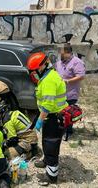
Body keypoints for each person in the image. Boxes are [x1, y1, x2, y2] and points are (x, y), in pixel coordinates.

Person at [27, 52, 68, 185]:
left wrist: (39, 121)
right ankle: (46, 162)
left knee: (51, 145)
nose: (33, 74)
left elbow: (48, 105)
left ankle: (51, 176)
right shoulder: (48, 75)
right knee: (46, 141)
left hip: (54, 118)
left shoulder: (49, 80)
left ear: (41, 66)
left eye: (34, 71)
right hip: (52, 117)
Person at [54, 43, 86, 140]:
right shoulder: (59, 62)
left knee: (68, 113)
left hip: (70, 93)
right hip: (59, 94)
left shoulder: (77, 62)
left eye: (62, 52)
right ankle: (60, 130)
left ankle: (68, 132)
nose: (60, 54)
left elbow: (81, 76)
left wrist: (67, 81)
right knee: (59, 112)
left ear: (68, 52)